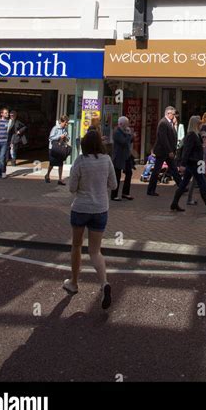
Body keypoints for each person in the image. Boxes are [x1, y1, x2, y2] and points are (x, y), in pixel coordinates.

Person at [63, 129, 117, 309]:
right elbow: (114, 184)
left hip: (80, 208)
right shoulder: (106, 160)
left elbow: (71, 187)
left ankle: (74, 282)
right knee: (95, 251)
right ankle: (104, 284)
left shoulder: (80, 161)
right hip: (101, 209)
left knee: (76, 245)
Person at [170, 116, 206, 214]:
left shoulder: (196, 134)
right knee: (202, 184)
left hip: (196, 163)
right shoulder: (191, 135)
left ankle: (174, 203)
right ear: (195, 124)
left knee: (184, 184)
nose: (200, 125)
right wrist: (183, 164)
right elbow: (186, 151)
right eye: (198, 124)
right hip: (194, 163)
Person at [147, 106, 181, 196]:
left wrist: (174, 125)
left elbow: (172, 136)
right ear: (168, 114)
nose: (174, 116)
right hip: (162, 152)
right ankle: (150, 190)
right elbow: (163, 139)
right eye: (173, 114)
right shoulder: (163, 123)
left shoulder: (169, 123)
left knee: (174, 169)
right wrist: (169, 151)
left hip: (167, 151)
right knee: (156, 171)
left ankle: (181, 186)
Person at [111, 116, 134, 201]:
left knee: (129, 173)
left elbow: (130, 140)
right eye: (125, 124)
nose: (127, 126)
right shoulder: (117, 132)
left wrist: (131, 135)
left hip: (126, 156)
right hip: (119, 157)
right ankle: (114, 195)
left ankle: (125, 192)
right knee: (117, 175)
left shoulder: (125, 131)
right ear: (121, 124)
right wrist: (128, 135)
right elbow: (123, 142)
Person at [44, 115, 70, 185]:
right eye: (65, 122)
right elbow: (50, 138)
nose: (66, 124)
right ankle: (47, 175)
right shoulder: (55, 128)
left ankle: (60, 179)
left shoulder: (65, 129)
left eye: (67, 123)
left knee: (60, 164)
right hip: (53, 148)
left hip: (60, 148)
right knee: (52, 163)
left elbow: (68, 138)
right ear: (61, 122)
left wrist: (66, 138)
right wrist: (59, 136)